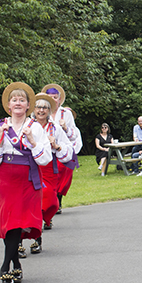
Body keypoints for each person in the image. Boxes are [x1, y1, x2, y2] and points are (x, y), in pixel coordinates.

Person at [0, 82, 52, 283]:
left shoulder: (36, 128)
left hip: (27, 180)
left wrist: (32, 141)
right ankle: (14, 263)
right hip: (6, 179)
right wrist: (0, 139)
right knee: (8, 224)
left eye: (22, 100)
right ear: (8, 105)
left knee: (17, 224)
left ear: (28, 105)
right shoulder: (0, 127)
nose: (18, 103)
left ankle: (6, 267)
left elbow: (45, 159)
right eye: (14, 100)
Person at [20, 93, 74, 256]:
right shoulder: (26, 125)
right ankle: (24, 240)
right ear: (33, 109)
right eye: (38, 107)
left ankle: (38, 227)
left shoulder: (55, 128)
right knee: (27, 204)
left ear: (50, 110)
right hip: (29, 167)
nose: (41, 110)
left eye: (45, 107)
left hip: (48, 168)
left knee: (50, 202)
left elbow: (67, 151)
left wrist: (56, 146)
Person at [42, 84, 81, 213]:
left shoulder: (66, 114)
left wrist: (65, 128)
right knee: (48, 177)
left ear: (59, 99)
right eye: (50, 97)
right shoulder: (39, 111)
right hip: (47, 151)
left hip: (62, 150)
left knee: (63, 175)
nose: (53, 99)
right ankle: (50, 204)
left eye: (55, 97)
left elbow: (74, 135)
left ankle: (58, 200)